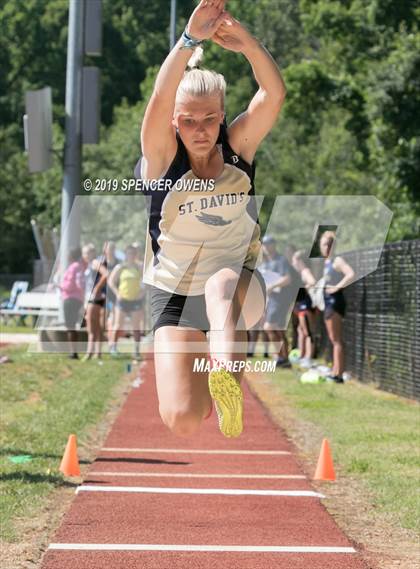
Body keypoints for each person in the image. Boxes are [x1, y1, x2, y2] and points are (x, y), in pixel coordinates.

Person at [136, 0, 286, 438]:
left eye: (209, 119)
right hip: (175, 291)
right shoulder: (162, 157)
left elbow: (273, 94)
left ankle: (226, 376)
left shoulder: (238, 146)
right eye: (188, 121)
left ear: (222, 118)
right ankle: (210, 372)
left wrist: (250, 47)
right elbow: (161, 95)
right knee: (182, 419)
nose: (199, 129)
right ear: (173, 123)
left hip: (238, 287)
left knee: (221, 285)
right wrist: (188, 41)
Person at [319, 230, 355, 383]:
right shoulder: (327, 262)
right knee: (334, 339)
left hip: (335, 302)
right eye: (324, 244)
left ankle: (339, 375)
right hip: (328, 302)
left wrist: (337, 288)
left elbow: (351, 274)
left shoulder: (337, 260)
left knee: (336, 339)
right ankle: (335, 371)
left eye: (329, 244)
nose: (327, 247)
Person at [260, 235, 293, 368]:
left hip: (280, 299)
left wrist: (272, 286)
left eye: (269, 244)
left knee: (269, 327)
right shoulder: (266, 263)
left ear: (274, 245)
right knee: (279, 330)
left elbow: (287, 279)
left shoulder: (281, 260)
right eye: (265, 244)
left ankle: (281, 356)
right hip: (271, 299)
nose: (267, 247)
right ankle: (283, 358)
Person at [108, 244, 145, 359]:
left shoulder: (139, 267)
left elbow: (148, 283)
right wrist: (117, 293)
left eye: (133, 253)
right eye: (129, 253)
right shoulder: (120, 267)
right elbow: (111, 281)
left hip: (135, 301)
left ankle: (137, 351)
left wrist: (141, 293)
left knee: (136, 327)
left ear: (136, 254)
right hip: (123, 300)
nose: (131, 255)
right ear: (126, 254)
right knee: (118, 325)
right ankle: (113, 348)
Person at [59, 247, 86, 359]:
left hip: (70, 299)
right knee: (73, 326)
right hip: (76, 299)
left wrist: (61, 286)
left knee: (70, 326)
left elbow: (71, 284)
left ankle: (73, 352)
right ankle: (74, 351)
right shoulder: (79, 267)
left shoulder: (74, 267)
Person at [291, 250, 317, 367]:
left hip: (305, 305)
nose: (293, 262)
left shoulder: (305, 271)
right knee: (301, 331)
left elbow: (312, 281)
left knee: (308, 332)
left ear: (300, 261)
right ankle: (302, 355)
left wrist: (303, 289)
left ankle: (308, 357)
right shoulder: (298, 273)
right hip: (300, 305)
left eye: (295, 260)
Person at [83, 244, 108, 361]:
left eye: (87, 253)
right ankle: (97, 353)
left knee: (91, 326)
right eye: (85, 253)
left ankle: (89, 352)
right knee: (96, 326)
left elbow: (106, 274)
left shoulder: (94, 262)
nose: (85, 255)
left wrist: (97, 287)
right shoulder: (89, 264)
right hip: (91, 297)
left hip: (94, 298)